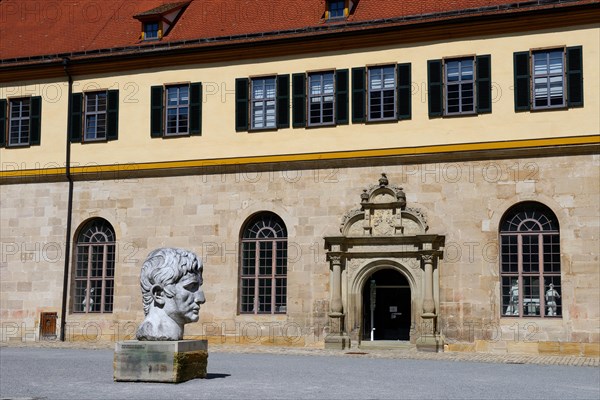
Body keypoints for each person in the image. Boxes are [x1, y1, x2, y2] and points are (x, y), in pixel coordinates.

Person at [136, 248, 205, 341]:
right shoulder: (153, 331)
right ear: (159, 294)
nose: (201, 299)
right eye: (191, 287)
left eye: (198, 286)